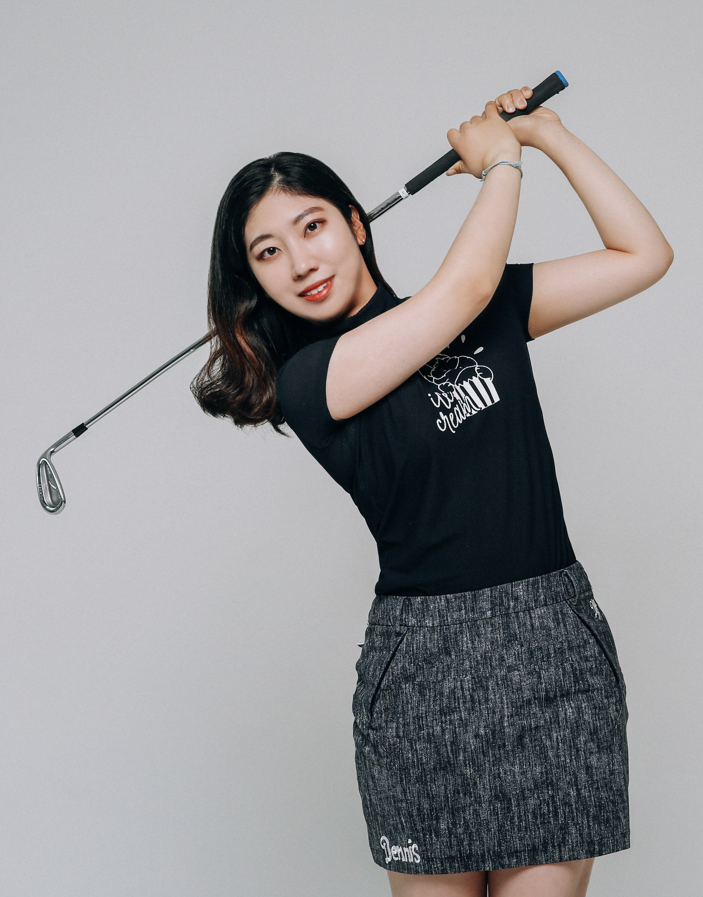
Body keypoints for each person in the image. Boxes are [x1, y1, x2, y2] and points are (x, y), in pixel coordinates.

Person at [191, 86, 673, 897]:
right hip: (423, 670)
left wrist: (547, 136)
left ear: (355, 223)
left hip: (551, 649)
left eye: (311, 226)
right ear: (254, 280)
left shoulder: (483, 307)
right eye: (267, 252)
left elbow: (642, 255)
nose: (300, 262)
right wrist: (500, 166)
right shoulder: (310, 380)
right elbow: (463, 289)